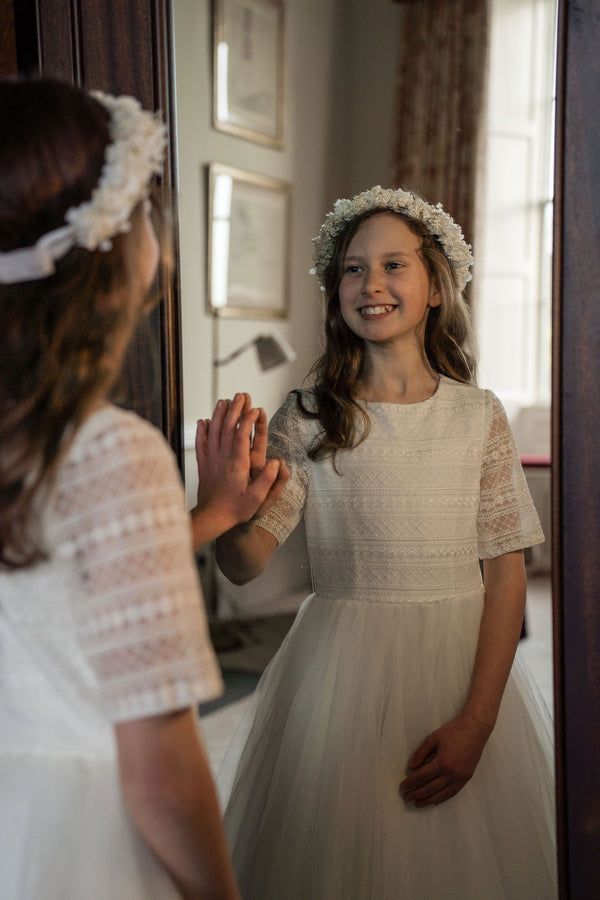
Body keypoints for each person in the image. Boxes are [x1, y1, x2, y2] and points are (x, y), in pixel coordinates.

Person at [209, 186, 557, 898]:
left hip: (461, 669)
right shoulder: (308, 418)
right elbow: (246, 566)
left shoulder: (478, 416)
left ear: (435, 286)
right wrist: (223, 509)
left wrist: (479, 719)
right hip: (340, 669)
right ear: (335, 290)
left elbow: (508, 574)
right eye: (352, 268)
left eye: (393, 265)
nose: (371, 284)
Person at [0, 77, 287, 900]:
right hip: (72, 843)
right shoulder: (110, 450)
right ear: (110, 245)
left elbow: (51, 587)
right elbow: (161, 770)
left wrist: (213, 515)